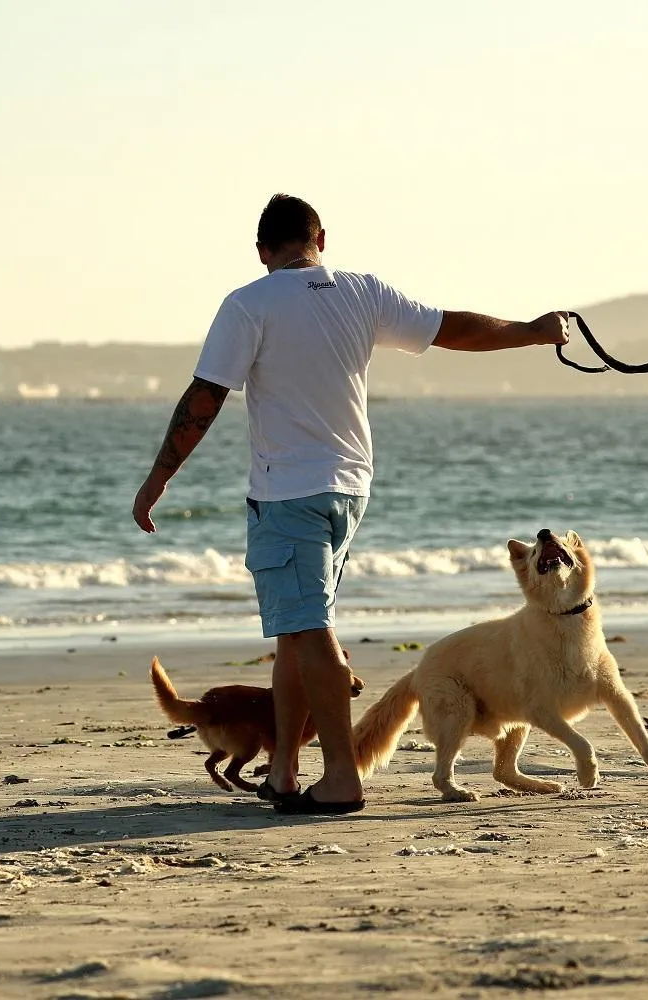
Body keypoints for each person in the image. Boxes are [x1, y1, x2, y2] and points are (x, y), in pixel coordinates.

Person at [131, 193, 570, 815]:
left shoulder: (248, 304)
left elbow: (205, 399)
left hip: (288, 492)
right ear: (321, 240)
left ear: (262, 252)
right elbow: (453, 329)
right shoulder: (363, 292)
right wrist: (532, 332)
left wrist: (158, 479)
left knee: (311, 632)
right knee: (294, 632)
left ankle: (342, 777)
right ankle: (284, 770)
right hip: (349, 488)